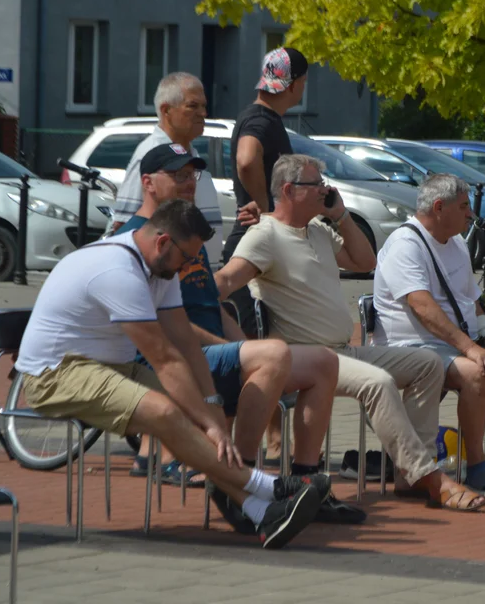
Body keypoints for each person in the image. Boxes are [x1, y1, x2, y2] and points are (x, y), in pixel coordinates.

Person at [15, 199, 323, 548]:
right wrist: (210, 422)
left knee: (195, 411)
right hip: (55, 374)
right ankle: (267, 487)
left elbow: (187, 346)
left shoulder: (162, 269)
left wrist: (212, 409)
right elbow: (165, 358)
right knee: (165, 410)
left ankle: (258, 512)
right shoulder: (117, 270)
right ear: (163, 242)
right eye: (186, 258)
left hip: (109, 366)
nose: (189, 266)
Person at [215, 154, 485, 512]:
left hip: (343, 351)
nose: (326, 190)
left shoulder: (317, 230)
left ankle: (410, 475)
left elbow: (365, 262)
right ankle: (430, 478)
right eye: (317, 185)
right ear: (289, 190)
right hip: (308, 356)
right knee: (378, 382)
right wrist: (195, 295)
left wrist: (340, 214)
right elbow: (228, 279)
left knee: (426, 364)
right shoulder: (265, 235)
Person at [116, 145, 362, 524]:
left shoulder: (184, 233)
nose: (188, 184)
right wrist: (239, 350)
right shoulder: (136, 241)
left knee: (322, 363)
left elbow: (213, 305)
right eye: (178, 175)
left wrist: (243, 346)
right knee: (274, 354)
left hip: (209, 353)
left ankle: (305, 480)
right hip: (170, 362)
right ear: (147, 183)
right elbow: (163, 324)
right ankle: (240, 482)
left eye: (192, 175)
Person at [373, 174, 485, 495]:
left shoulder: (456, 242)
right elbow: (422, 307)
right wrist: (472, 350)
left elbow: (472, 301)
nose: (470, 214)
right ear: (439, 207)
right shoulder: (405, 244)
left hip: (453, 346)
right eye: (463, 206)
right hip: (412, 348)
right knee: (475, 373)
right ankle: (476, 467)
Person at [222, 47, 307, 335]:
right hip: (251, 245)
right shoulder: (262, 119)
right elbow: (246, 160)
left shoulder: (259, 116)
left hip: (253, 245)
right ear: (294, 85)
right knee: (254, 345)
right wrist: (265, 206)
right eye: (304, 83)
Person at [107, 73, 227, 263]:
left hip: (199, 276)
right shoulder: (150, 154)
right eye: (193, 106)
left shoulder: (190, 154)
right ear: (166, 110)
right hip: (167, 279)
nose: (203, 113)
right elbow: (124, 225)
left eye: (204, 106)